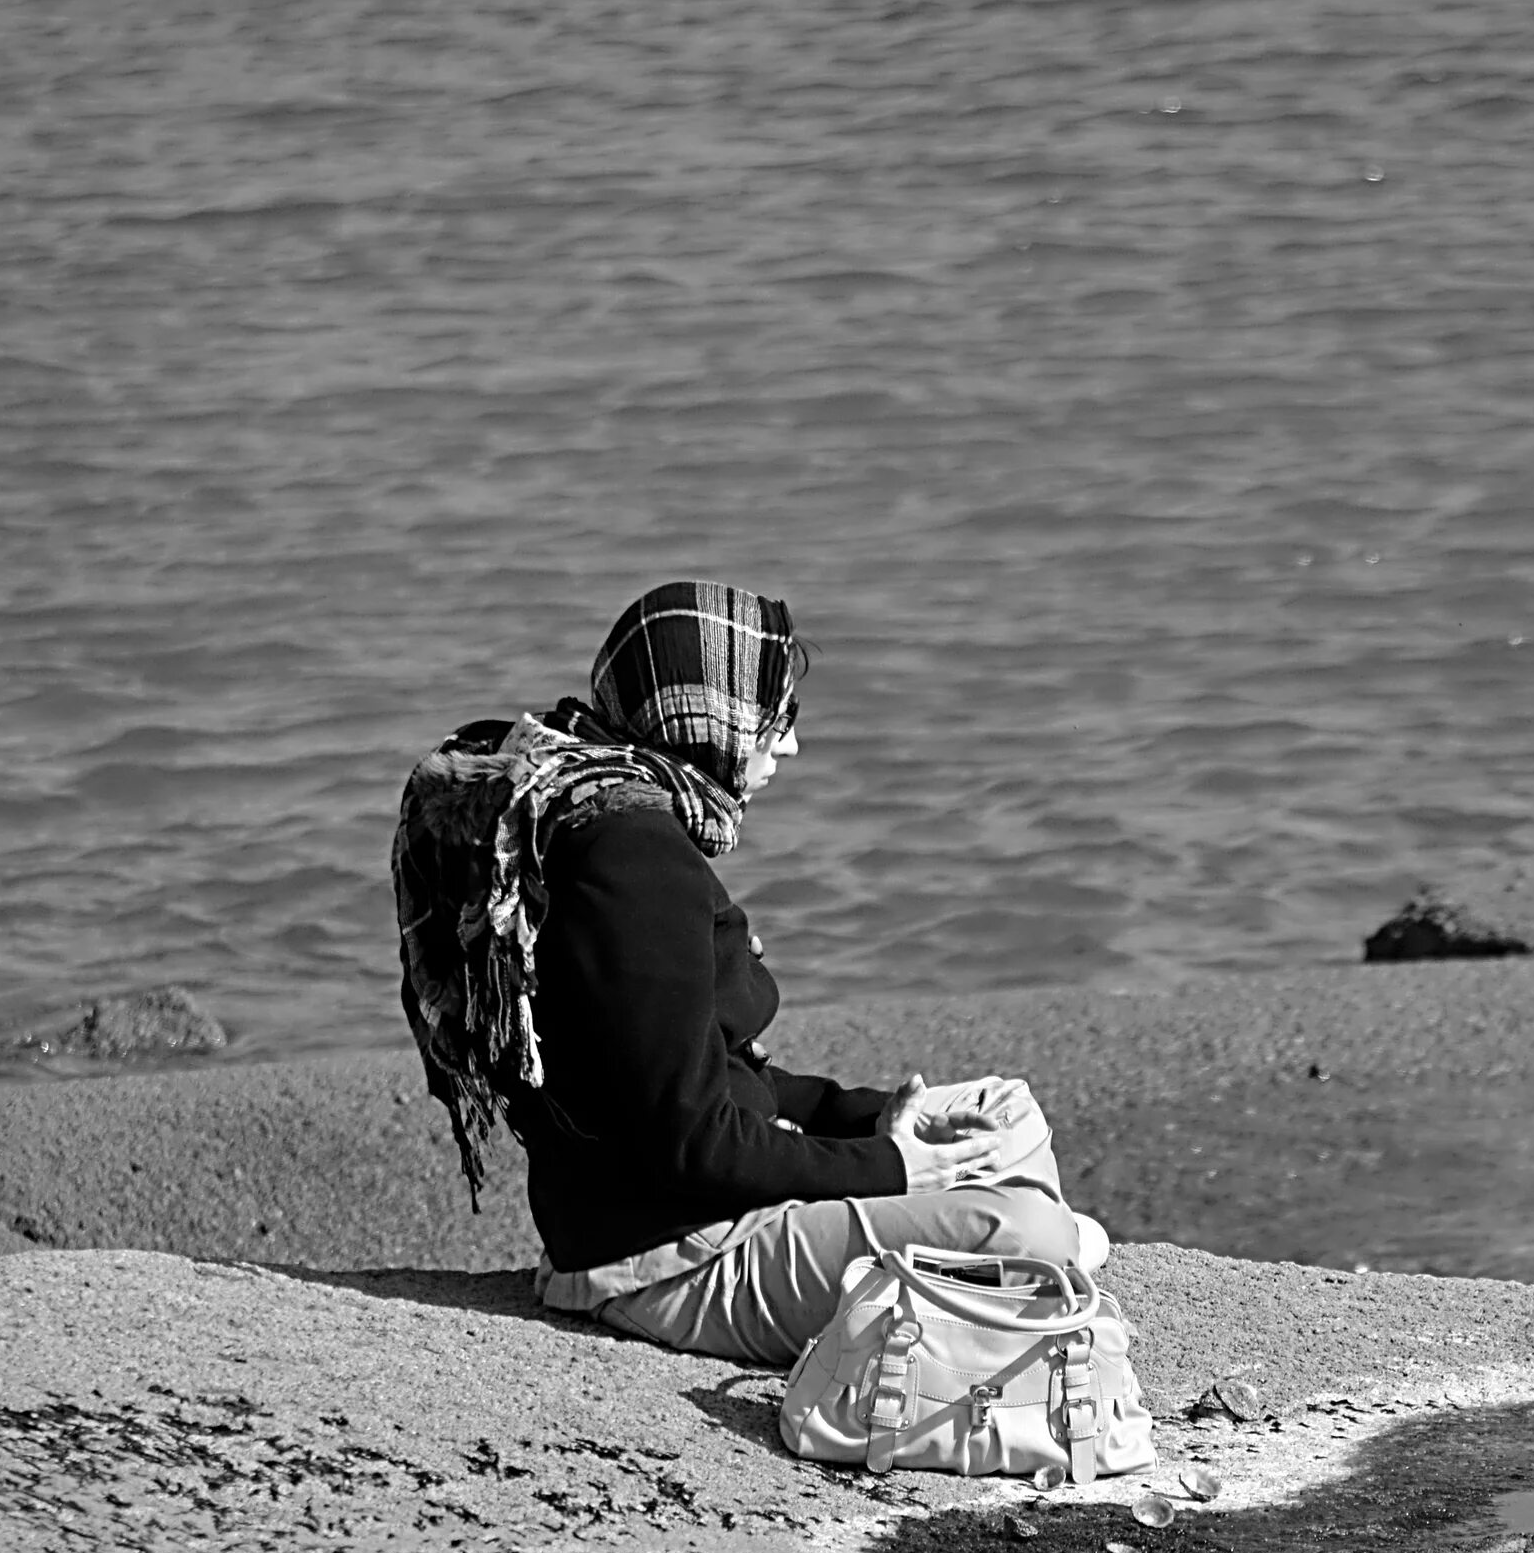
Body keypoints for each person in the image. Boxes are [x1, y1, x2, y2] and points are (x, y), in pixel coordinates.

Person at [391, 579, 1099, 1365]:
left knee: (1002, 1109)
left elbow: (701, 1076)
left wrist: (865, 1118)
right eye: (774, 721)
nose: (788, 746)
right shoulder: (628, 854)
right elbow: (692, 1144)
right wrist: (893, 1168)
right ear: (706, 717)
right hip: (673, 1257)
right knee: (1028, 1233)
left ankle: (1023, 1258)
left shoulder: (600, 802)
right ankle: (1034, 1257)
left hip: (697, 1199)